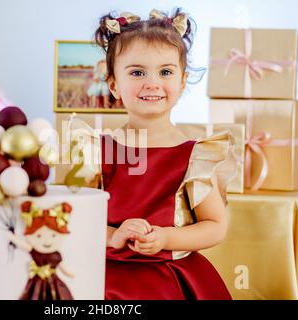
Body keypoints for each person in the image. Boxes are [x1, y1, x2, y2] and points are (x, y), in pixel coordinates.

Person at [68, 8, 237, 300]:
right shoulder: (97, 152)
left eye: (166, 72)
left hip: (171, 279)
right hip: (107, 279)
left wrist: (168, 238)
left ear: (182, 82)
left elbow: (215, 227)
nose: (152, 83)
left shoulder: (196, 157)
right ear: (113, 85)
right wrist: (114, 236)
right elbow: (77, 219)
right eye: (136, 72)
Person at [8, 201, 75, 300]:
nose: (47, 241)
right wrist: (12, 237)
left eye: (53, 235)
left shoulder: (55, 255)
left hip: (52, 280)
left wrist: (69, 273)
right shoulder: (35, 251)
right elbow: (24, 245)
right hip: (37, 280)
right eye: (38, 236)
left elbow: (61, 266)